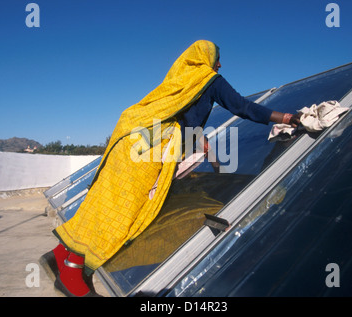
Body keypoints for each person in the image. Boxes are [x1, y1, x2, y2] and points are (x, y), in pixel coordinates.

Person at [39, 40, 301, 297]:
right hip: (150, 152)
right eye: (217, 58)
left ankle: (57, 256)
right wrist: (286, 117)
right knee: (121, 214)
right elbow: (242, 107)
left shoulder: (179, 80)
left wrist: (208, 151)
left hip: (132, 140)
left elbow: (185, 119)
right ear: (207, 59)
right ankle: (71, 278)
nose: (219, 64)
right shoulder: (208, 79)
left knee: (104, 201)